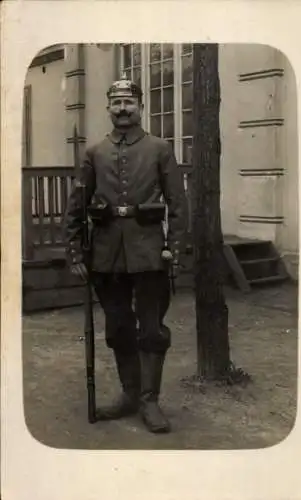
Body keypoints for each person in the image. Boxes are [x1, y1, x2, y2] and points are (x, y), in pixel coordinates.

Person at [63, 73, 187, 433]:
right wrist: (75, 254)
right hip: (106, 256)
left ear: (140, 107)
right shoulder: (94, 152)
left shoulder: (160, 149)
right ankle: (129, 395)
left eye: (128, 103)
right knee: (118, 329)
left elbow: (178, 204)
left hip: (149, 252)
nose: (122, 109)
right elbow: (76, 206)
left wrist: (174, 248)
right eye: (116, 103)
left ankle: (150, 401)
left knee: (151, 328)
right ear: (108, 108)